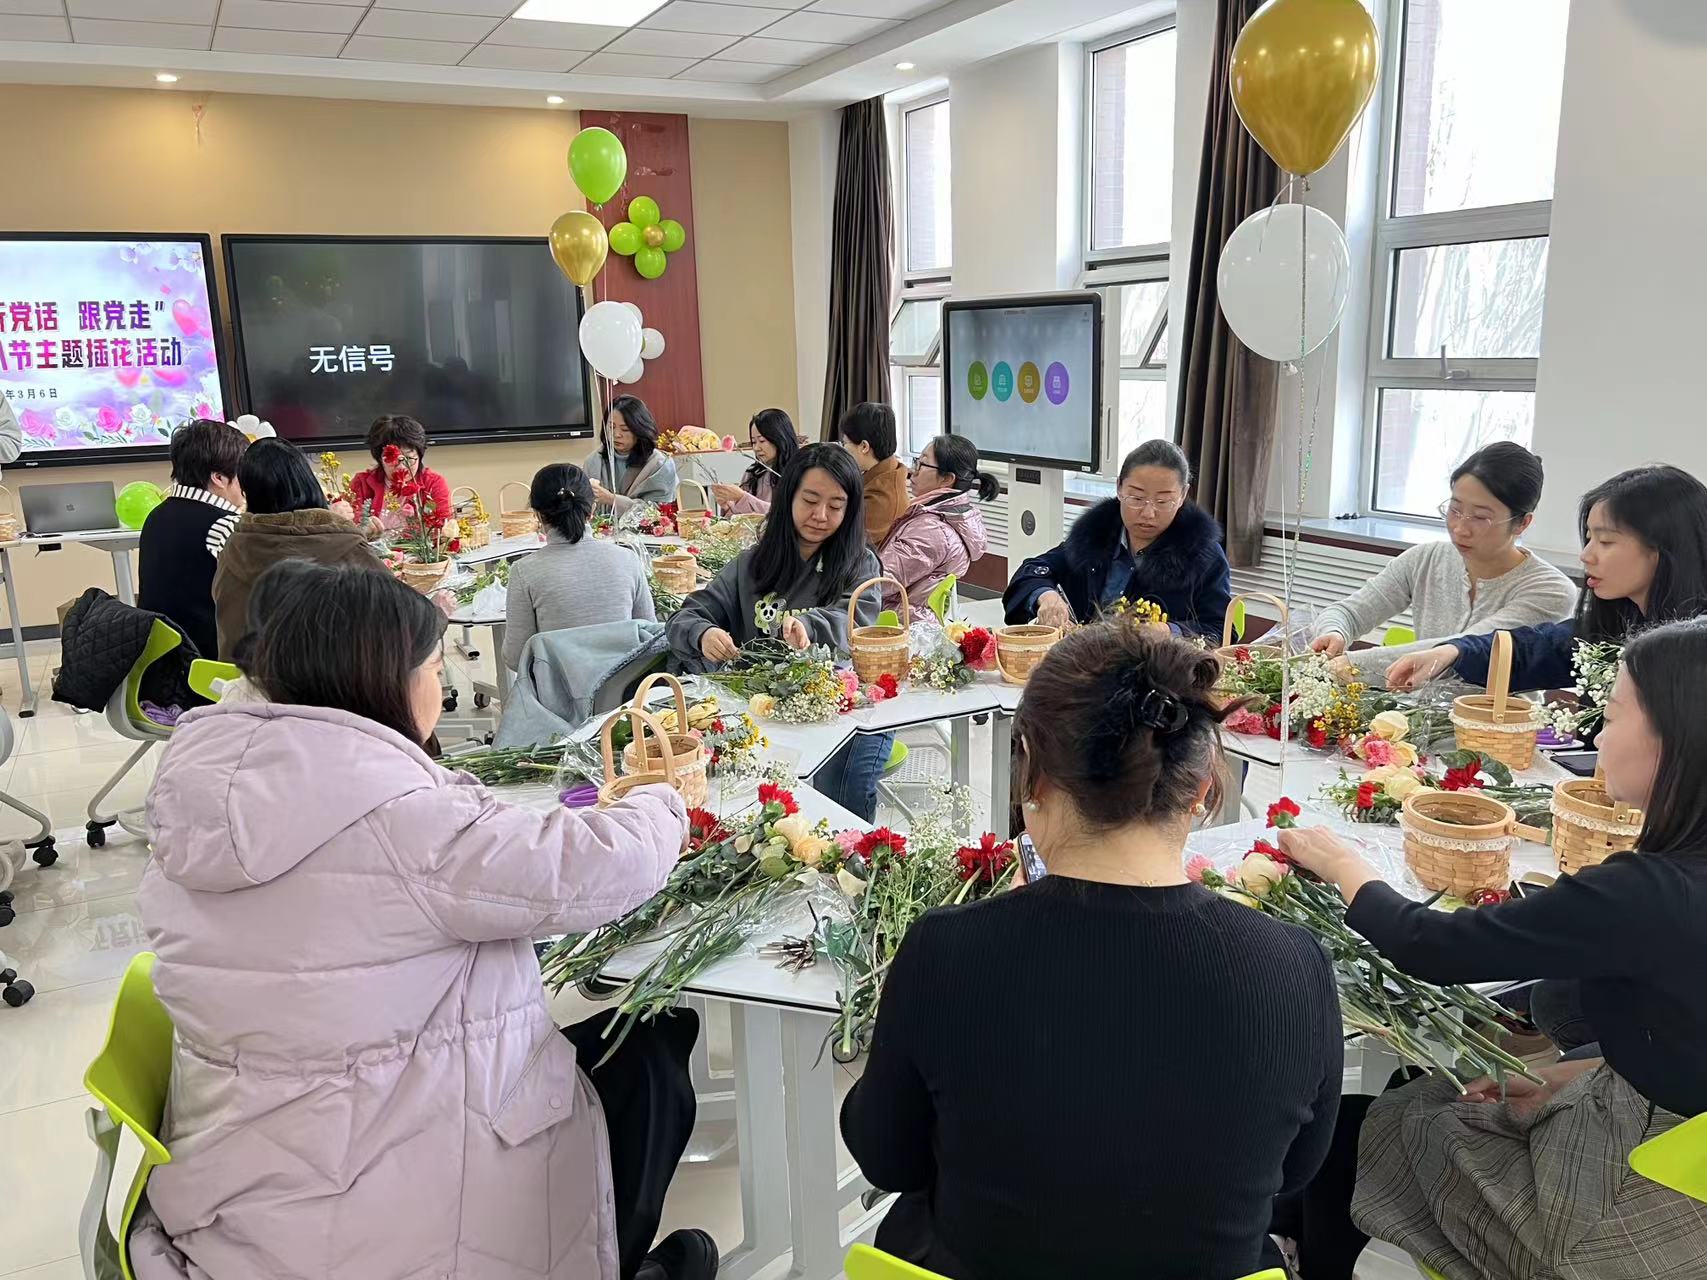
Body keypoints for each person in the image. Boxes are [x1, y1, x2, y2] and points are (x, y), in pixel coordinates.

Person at [132, 562, 707, 1280]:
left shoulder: (205, 795)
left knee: (625, 1049)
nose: (440, 681)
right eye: (435, 667)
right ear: (384, 682)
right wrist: (660, 799)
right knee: (648, 1053)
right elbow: (601, 867)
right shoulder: (401, 820)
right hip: (373, 1178)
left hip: (246, 1162)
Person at [842, 622, 1343, 1280]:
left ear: (1033, 772)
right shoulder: (1294, 965)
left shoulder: (949, 949)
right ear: (1202, 789)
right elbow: (1294, 1172)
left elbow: (887, 1158)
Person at [1277, 617, 1707, 1280]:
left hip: (1619, 1206)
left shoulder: (1646, 893)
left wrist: (1342, 866)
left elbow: (1430, 947)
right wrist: (1574, 1073)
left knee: (1364, 1129)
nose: (1597, 737)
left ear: (1674, 741)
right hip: (1678, 1154)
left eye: (1615, 715)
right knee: (1421, 1092)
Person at [669, 443, 893, 820]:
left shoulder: (859, 564)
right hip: (762, 715)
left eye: (836, 506)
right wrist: (703, 633)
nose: (820, 515)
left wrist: (809, 625)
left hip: (843, 712)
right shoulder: (751, 565)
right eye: (810, 500)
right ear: (788, 496)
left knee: (843, 799)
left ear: (851, 510)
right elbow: (686, 616)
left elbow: (856, 621)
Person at [1385, 465, 1707, 693]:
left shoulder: (1694, 646)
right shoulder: (1617, 621)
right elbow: (1536, 647)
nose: (1586, 556)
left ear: (1665, 549)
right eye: (1589, 539)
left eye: (1606, 542)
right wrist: (1453, 652)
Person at [1310, 443, 1577, 686]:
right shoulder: (1425, 559)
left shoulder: (1549, 589)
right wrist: (1334, 632)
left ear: (1522, 523)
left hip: (1496, 721)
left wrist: (1352, 665)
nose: (1460, 528)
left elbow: (1463, 651)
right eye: (1454, 510)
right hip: (1415, 714)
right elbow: (1349, 612)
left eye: (1480, 517)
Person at [1003, 439, 1231, 639]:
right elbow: (1032, 571)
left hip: (1155, 669)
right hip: (1079, 660)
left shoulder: (1203, 554)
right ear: (1119, 488)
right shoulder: (1094, 535)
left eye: (1163, 502)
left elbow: (1219, 628)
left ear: (1183, 495)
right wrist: (1047, 597)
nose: (1148, 513)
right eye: (1137, 498)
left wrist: (1168, 631)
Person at [212, 438, 381, 657]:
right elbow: (400, 615)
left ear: (247, 493)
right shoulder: (345, 544)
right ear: (308, 481)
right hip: (332, 676)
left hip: (246, 675)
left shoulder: (233, 549)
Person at [502, 462, 655, 671]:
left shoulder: (524, 571)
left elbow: (515, 658)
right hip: (623, 688)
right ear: (592, 509)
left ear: (537, 514)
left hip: (556, 690)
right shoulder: (627, 560)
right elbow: (650, 638)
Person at [137, 418, 248, 659]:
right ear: (219, 478)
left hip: (161, 659)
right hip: (210, 662)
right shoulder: (225, 524)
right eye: (243, 473)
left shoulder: (156, 515)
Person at [879, 434, 995, 613]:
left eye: (922, 464)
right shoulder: (946, 519)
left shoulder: (931, 531)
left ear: (947, 479)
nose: (913, 471)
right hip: (913, 617)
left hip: (899, 622)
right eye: (916, 461)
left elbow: (880, 582)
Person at [345, 413, 453, 525]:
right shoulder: (362, 483)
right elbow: (350, 526)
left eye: (409, 459)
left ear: (420, 456)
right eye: (393, 460)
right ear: (380, 458)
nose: (402, 467)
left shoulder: (433, 483)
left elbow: (441, 525)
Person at [587, 395, 679, 514]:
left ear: (639, 429)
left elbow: (659, 512)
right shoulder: (594, 461)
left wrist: (611, 499)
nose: (616, 434)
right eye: (611, 427)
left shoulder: (660, 464)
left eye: (625, 429)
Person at [838, 401, 909, 544]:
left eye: (844, 443)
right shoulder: (888, 470)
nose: (842, 450)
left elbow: (849, 545)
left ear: (864, 446)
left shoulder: (879, 499)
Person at [711, 408, 798, 516]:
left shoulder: (797, 473)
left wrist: (743, 498)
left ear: (780, 438)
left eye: (762, 441)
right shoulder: (752, 473)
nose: (756, 448)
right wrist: (729, 506)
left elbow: (788, 514)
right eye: (753, 442)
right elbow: (738, 518)